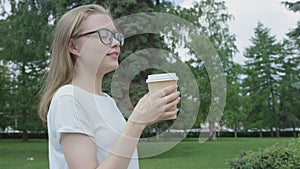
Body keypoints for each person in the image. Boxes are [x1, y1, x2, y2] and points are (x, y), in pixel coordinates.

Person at [38, 4, 180, 169]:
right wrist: (137, 122)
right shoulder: (68, 99)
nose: (115, 43)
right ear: (73, 46)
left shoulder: (107, 101)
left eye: (116, 36)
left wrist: (147, 117)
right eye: (104, 35)